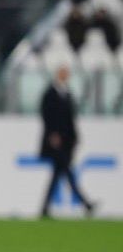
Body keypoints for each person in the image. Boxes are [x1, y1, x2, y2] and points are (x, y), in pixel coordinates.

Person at [39, 65, 96, 218]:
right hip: (57, 142)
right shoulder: (50, 94)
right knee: (68, 174)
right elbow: (47, 116)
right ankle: (86, 203)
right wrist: (52, 134)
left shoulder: (67, 93)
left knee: (58, 175)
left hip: (67, 142)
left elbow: (70, 119)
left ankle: (44, 208)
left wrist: (75, 137)